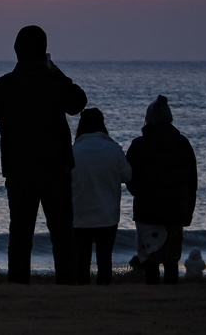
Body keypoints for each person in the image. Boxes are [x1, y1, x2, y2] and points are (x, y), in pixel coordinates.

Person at [0, 25, 87, 284]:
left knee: (20, 233)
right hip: (56, 169)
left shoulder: (5, 85)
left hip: (19, 169)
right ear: (44, 53)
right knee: (62, 233)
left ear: (16, 51)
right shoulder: (53, 82)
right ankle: (67, 284)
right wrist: (57, 74)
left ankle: (18, 284)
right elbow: (78, 103)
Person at [126, 95, 198, 285]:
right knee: (171, 259)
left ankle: (153, 294)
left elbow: (128, 177)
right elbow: (192, 182)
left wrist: (138, 193)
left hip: (146, 211)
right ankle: (171, 294)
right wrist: (188, 211)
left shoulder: (138, 145)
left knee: (150, 257)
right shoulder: (182, 144)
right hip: (175, 211)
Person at [71, 108, 131, 285]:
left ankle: (83, 293)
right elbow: (127, 176)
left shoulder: (74, 151)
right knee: (105, 259)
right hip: (108, 213)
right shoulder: (113, 149)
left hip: (80, 214)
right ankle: (104, 292)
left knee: (82, 260)